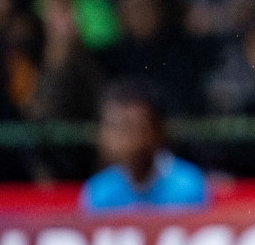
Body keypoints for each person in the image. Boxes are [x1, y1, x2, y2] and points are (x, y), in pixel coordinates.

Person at [79, 79, 209, 212]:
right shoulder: (99, 190)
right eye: (112, 125)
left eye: (130, 126)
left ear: (158, 131)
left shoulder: (188, 186)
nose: (119, 136)